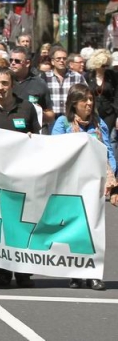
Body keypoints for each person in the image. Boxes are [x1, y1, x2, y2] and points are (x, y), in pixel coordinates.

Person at [51, 84, 116, 291]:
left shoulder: (99, 124)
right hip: (71, 183)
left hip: (94, 184)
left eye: (91, 100)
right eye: (84, 100)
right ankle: (76, 273)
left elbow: (108, 152)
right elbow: (53, 149)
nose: (89, 103)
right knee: (75, 229)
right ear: (74, 103)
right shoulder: (63, 123)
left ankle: (94, 274)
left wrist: (111, 175)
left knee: (94, 229)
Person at [0, 67, 40, 288]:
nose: (1, 87)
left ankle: (24, 272)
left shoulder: (26, 108)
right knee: (0, 226)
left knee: (22, 224)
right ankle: (2, 272)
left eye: (5, 83)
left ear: (12, 85)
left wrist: (31, 138)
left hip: (22, 175)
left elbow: (37, 138)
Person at [83, 49, 118, 141]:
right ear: (96, 64)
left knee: (105, 137)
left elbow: (117, 95)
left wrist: (116, 114)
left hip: (109, 112)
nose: (105, 67)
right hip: (92, 111)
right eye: (103, 65)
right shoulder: (88, 76)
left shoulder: (113, 76)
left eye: (107, 65)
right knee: (93, 136)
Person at [43, 47, 86, 119]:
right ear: (52, 61)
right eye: (58, 58)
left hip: (71, 118)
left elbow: (86, 96)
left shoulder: (77, 77)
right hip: (51, 120)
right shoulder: (45, 77)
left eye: (64, 58)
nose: (62, 61)